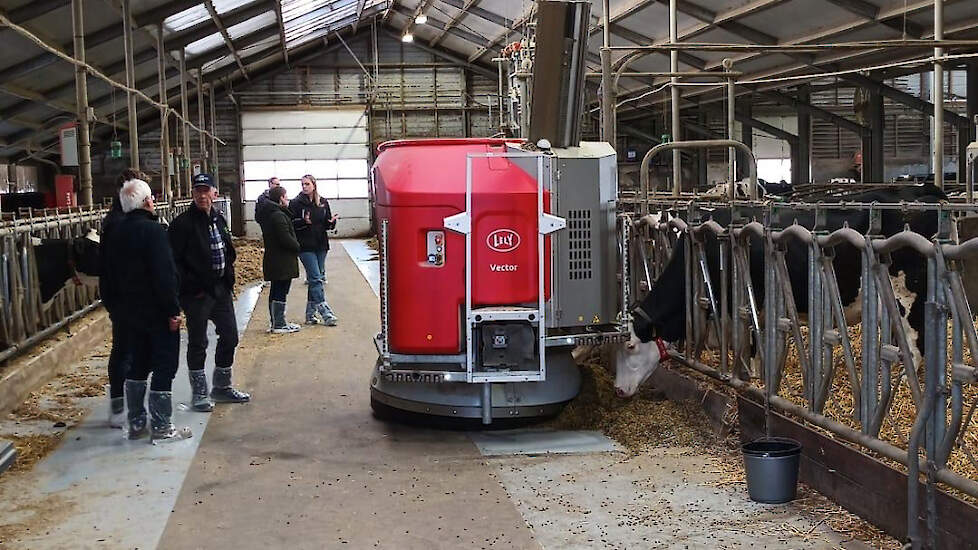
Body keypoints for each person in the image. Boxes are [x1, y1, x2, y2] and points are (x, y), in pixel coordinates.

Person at [106, 179, 190, 441]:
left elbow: (106, 276)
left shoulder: (114, 232)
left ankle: (136, 423)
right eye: (151, 197)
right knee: (165, 364)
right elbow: (163, 275)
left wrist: (115, 309)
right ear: (146, 202)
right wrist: (173, 310)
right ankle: (163, 427)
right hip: (156, 312)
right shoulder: (153, 232)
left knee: (138, 364)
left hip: (128, 314)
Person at [168, 173, 250, 412]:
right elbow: (174, 262)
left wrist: (228, 277)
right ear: (193, 194)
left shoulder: (218, 219)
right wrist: (191, 286)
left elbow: (228, 249)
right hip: (197, 293)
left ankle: (222, 387)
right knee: (198, 342)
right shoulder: (182, 224)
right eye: (197, 192)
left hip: (220, 289)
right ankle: (200, 393)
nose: (202, 196)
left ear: (214, 193)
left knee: (230, 336)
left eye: (206, 191)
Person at [100, 168, 146, 428]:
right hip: (125, 296)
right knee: (124, 351)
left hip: (125, 295)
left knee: (129, 349)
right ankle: (119, 406)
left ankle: (125, 403)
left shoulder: (118, 218)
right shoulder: (118, 222)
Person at [289, 174, 338, 326]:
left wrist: (331, 223)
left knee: (314, 279)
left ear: (314, 185)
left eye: (307, 184)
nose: (304, 187)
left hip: (321, 244)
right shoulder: (295, 203)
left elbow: (326, 223)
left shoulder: (322, 202)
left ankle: (310, 315)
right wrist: (303, 222)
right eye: (302, 184)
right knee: (316, 278)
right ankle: (326, 312)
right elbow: (290, 223)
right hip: (305, 245)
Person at [257, 186, 302, 333]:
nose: (287, 199)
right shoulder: (278, 215)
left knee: (277, 289)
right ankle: (279, 323)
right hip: (281, 259)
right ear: (281, 198)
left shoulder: (271, 213)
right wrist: (297, 246)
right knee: (280, 289)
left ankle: (276, 321)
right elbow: (285, 237)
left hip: (275, 258)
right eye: (286, 197)